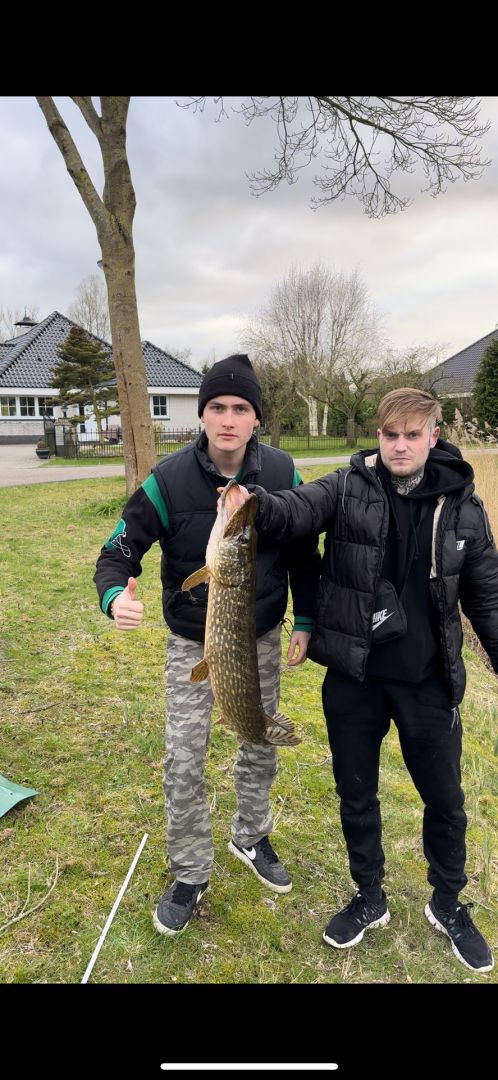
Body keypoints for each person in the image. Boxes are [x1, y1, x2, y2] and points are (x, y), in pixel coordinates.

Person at [230, 387, 498, 974]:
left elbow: (486, 599)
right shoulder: (347, 487)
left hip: (428, 682)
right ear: (378, 436)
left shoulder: (463, 508)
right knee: (357, 793)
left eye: (411, 434)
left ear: (433, 435)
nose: (399, 446)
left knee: (446, 801)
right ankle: (369, 895)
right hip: (355, 677)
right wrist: (254, 505)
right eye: (388, 434)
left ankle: (449, 903)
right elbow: (297, 510)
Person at [94, 354, 319, 935]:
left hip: (261, 634)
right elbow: (118, 549)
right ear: (202, 415)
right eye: (216, 407)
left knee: (258, 737)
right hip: (192, 642)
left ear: (255, 419)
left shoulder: (283, 470)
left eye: (240, 408)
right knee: (184, 759)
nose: (227, 419)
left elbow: (301, 552)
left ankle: (251, 836)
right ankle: (191, 871)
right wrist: (115, 594)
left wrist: (307, 618)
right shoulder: (167, 480)